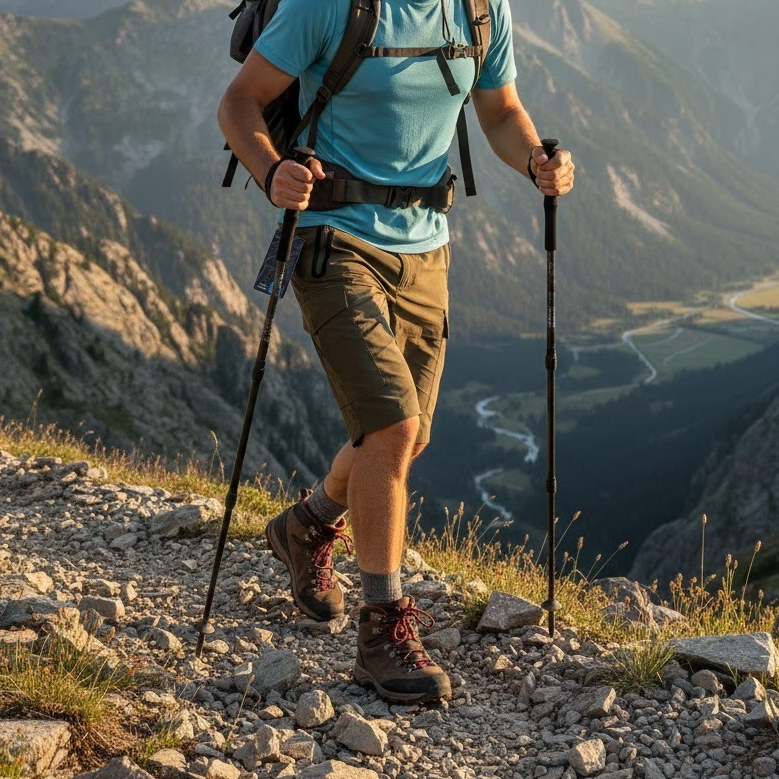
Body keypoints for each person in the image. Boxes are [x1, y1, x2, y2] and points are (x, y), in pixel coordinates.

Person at [218, 0, 575, 704]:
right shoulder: (328, 5)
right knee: (391, 427)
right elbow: (239, 103)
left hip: (424, 246)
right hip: (330, 237)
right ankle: (381, 628)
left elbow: (498, 109)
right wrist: (271, 172)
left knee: (405, 438)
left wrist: (534, 159)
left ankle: (307, 524)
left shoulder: (478, 7)